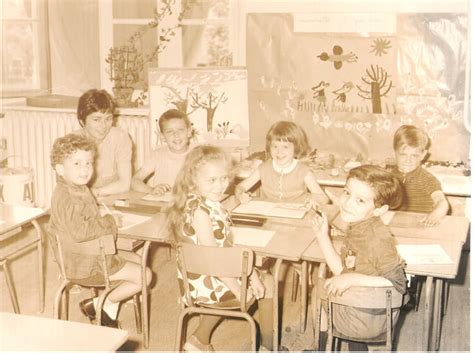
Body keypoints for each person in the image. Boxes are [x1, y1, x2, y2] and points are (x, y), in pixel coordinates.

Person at [167, 145, 274, 351]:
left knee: (255, 271)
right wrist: (241, 286)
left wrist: (235, 199)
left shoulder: (197, 202)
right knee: (268, 280)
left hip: (198, 278)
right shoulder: (200, 213)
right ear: (193, 179)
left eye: (224, 178)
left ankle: (199, 340)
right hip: (210, 280)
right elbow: (215, 262)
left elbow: (219, 214)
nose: (219, 186)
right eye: (212, 180)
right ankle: (267, 347)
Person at [46, 133, 152, 328]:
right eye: (77, 164)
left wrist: (99, 217)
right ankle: (99, 304)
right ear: (60, 169)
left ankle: (105, 313)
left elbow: (82, 221)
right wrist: (109, 222)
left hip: (83, 256)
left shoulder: (73, 188)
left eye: (88, 162)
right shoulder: (70, 198)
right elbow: (81, 231)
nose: (85, 168)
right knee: (145, 275)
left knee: (138, 259)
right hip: (86, 264)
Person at [311, 165, 407, 349]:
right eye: (347, 193)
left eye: (360, 200)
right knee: (334, 283)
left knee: (319, 289)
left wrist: (352, 278)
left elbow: (399, 282)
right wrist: (322, 235)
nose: (347, 203)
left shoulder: (376, 239)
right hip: (365, 311)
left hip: (367, 319)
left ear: (379, 210)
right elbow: (342, 271)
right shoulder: (360, 225)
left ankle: (321, 348)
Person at [235, 120, 329, 207]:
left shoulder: (303, 171)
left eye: (285, 147)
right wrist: (240, 195)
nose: (279, 152)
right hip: (269, 217)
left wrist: (313, 199)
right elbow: (240, 187)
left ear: (295, 148)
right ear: (269, 147)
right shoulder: (263, 168)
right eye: (275, 146)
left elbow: (324, 198)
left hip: (296, 217)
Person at [75, 89, 132, 198]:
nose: (103, 126)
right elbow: (69, 188)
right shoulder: (72, 142)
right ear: (82, 121)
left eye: (108, 119)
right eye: (96, 120)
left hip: (114, 196)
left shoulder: (120, 137)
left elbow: (125, 183)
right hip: (82, 199)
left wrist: (95, 193)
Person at [390, 124, 449, 227]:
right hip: (394, 226)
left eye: (414, 155)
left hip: (420, 226)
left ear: (423, 155)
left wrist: (435, 214)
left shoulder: (427, 179)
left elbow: (441, 201)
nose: (408, 160)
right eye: (403, 155)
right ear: (394, 152)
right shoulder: (387, 177)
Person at [131, 109, 193, 195]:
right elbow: (134, 181)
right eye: (169, 131)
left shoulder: (199, 156)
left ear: (189, 132)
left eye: (180, 130)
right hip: (163, 205)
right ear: (162, 136)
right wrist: (150, 190)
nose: (176, 135)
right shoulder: (157, 155)